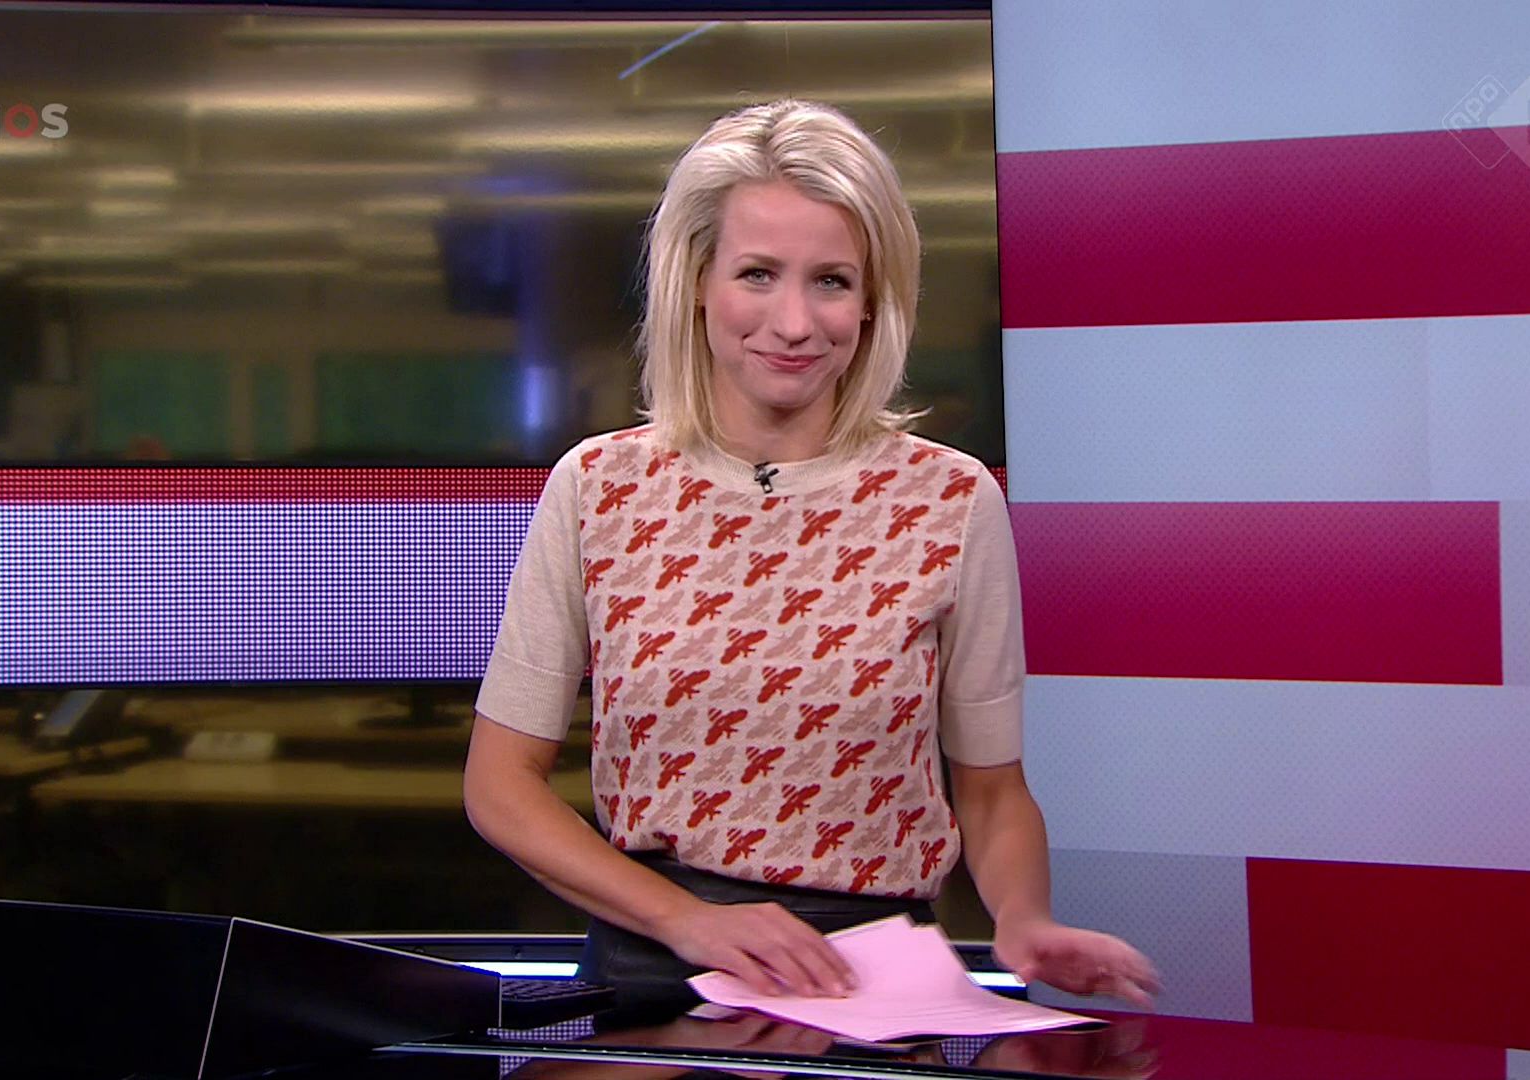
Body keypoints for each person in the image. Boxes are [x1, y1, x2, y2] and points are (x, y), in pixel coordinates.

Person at [464, 99, 1158, 1014]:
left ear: (872, 301)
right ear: (697, 282)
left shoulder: (950, 501)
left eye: (830, 281)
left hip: (878, 985)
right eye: (757, 274)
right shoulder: (599, 487)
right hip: (655, 969)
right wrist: (688, 923)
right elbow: (499, 787)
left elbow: (991, 793)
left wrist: (1024, 920)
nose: (793, 323)